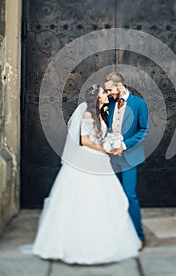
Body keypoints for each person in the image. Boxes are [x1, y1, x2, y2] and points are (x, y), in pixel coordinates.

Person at [32, 84, 141, 265]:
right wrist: (106, 149)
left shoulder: (101, 114)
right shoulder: (88, 115)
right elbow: (85, 141)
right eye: (104, 92)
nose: (107, 94)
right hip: (86, 161)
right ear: (96, 97)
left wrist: (112, 145)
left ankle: (103, 242)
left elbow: (100, 137)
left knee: (103, 199)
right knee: (85, 199)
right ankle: (77, 245)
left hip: (99, 162)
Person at [104, 72, 149, 251]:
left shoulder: (139, 103)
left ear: (119, 86)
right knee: (111, 196)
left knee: (130, 196)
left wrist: (123, 145)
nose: (108, 93)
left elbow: (145, 130)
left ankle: (138, 236)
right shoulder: (109, 103)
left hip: (129, 157)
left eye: (110, 89)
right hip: (110, 159)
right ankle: (116, 234)